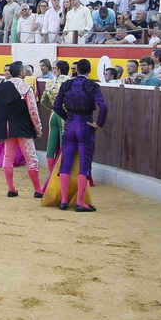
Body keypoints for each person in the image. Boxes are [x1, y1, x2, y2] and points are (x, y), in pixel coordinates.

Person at [51, 59, 106, 212]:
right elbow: (103, 106)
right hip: (85, 125)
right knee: (84, 165)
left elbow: (56, 106)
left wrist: (67, 118)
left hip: (70, 126)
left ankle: (63, 200)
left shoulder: (67, 84)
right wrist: (99, 124)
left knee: (65, 164)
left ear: (76, 70)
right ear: (89, 71)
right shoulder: (92, 86)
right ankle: (80, 202)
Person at [0, 62, 44, 198]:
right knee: (31, 158)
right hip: (23, 127)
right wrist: (38, 128)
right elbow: (33, 110)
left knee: (8, 157)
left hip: (7, 127)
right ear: (21, 73)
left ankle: (11, 189)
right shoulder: (25, 88)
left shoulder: (1, 88)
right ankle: (38, 190)